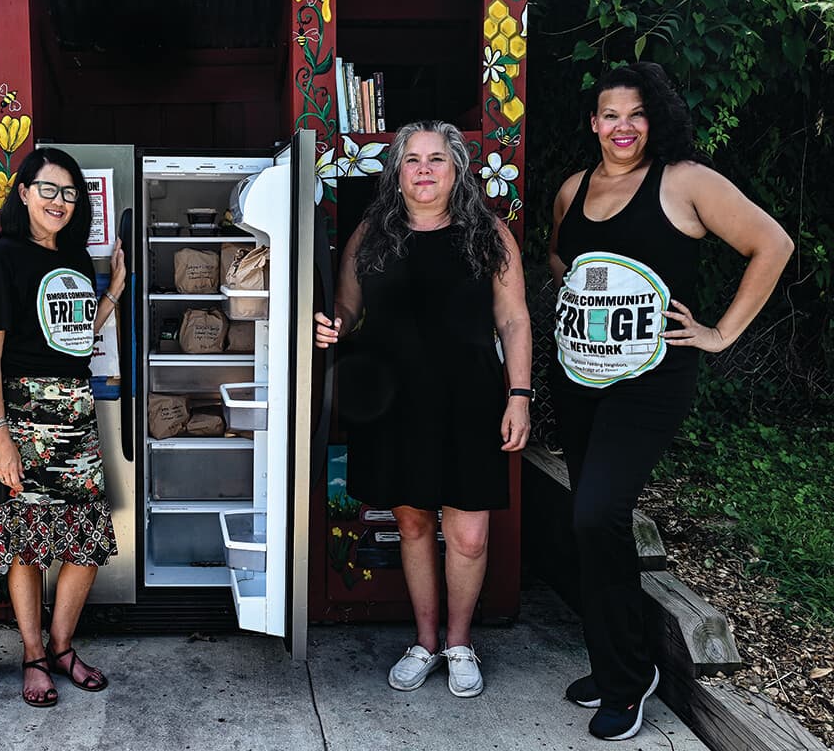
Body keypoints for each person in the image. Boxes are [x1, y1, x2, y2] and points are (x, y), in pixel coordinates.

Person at [548, 62, 794, 741]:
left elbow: (771, 244)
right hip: (580, 378)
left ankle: (629, 680)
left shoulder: (686, 182)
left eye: (635, 114)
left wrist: (719, 333)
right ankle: (615, 659)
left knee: (599, 512)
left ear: (653, 118)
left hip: (651, 381)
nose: (621, 127)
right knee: (586, 521)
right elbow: (560, 260)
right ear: (593, 122)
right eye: (609, 115)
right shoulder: (574, 189)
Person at [315, 120, 532, 699]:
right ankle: (426, 641)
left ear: (457, 168)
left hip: (470, 399)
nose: (425, 169)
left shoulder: (488, 233)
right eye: (412, 159)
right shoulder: (372, 233)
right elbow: (348, 306)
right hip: (393, 399)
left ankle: (460, 644)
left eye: (437, 158)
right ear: (398, 172)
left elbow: (513, 319)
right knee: (412, 523)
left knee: (467, 535)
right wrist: (331, 325)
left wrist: (520, 395)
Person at [0, 147, 125, 708]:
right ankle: (33, 655)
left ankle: (63, 646)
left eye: (70, 193)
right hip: (21, 415)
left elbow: (76, 341)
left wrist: (110, 292)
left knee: (84, 544)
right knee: (26, 548)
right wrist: (0, 435)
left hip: (77, 414)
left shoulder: (80, 260)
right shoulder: (1, 257)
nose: (60, 202)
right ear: (23, 192)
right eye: (49, 189)